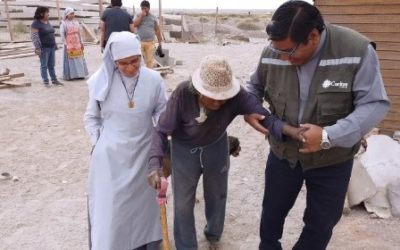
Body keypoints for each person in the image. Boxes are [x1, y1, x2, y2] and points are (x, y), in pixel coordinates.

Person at [244, 1, 391, 249]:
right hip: (283, 156)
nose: (282, 57)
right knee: (271, 217)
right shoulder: (274, 51)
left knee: (321, 223)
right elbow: (253, 87)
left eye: (289, 52)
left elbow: (374, 104)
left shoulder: (356, 50)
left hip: (332, 161)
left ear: (313, 36)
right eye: (277, 50)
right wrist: (250, 107)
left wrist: (328, 135)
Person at [147, 55, 306, 250]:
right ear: (197, 89)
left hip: (216, 145)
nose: (217, 103)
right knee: (182, 202)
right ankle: (186, 246)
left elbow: (266, 118)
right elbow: (162, 131)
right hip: (184, 149)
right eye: (211, 97)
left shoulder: (237, 96)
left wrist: (292, 131)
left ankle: (213, 235)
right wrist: (155, 164)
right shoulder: (182, 94)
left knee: (217, 193)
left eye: (222, 98)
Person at [84, 31, 167, 250]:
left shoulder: (154, 79)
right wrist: (99, 143)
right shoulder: (99, 82)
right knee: (113, 206)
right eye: (124, 64)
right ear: (114, 61)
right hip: (110, 157)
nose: (131, 68)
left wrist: (161, 138)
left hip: (144, 152)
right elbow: (91, 118)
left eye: (135, 61)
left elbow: (161, 111)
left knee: (143, 207)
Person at [31, 6, 62, 87]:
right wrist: (37, 48)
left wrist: (55, 44)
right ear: (41, 13)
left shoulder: (47, 22)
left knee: (51, 65)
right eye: (47, 12)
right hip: (44, 48)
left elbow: (51, 34)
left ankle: (54, 80)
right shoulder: (36, 23)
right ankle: (46, 82)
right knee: (44, 65)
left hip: (51, 47)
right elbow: (34, 37)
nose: (49, 14)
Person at [60, 7, 89, 80]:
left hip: (77, 43)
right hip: (69, 44)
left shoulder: (76, 23)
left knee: (79, 59)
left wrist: (81, 42)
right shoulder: (63, 24)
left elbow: (79, 33)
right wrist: (65, 44)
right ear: (67, 15)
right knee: (71, 60)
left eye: (73, 14)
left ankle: (80, 74)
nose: (72, 15)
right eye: (71, 14)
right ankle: (71, 76)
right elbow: (62, 34)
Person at [133, 0, 163, 68]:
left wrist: (160, 43)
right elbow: (134, 24)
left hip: (150, 42)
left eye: (145, 8)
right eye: (142, 8)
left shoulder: (153, 17)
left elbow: (157, 30)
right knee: (139, 60)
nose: (143, 10)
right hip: (140, 42)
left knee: (150, 61)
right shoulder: (138, 15)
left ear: (149, 8)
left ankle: (149, 75)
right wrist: (141, 16)